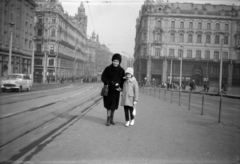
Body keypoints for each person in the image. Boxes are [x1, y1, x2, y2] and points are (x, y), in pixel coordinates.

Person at [101, 53, 125, 126]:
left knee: (114, 106)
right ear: (112, 61)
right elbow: (103, 77)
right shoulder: (108, 69)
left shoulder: (121, 70)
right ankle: (108, 120)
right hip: (108, 90)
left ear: (119, 62)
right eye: (114, 61)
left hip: (116, 91)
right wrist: (109, 82)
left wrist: (118, 84)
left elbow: (123, 80)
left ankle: (112, 119)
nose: (115, 63)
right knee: (108, 105)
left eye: (117, 61)